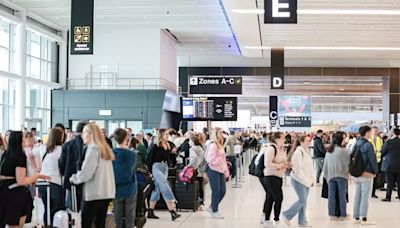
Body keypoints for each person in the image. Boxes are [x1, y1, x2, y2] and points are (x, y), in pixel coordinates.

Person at [69, 123, 116, 228]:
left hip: (94, 193)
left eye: (84, 133)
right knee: (100, 223)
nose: (81, 135)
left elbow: (86, 173)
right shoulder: (104, 148)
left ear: (90, 134)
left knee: (86, 223)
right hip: (106, 192)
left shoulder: (93, 149)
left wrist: (74, 178)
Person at [0, 131, 49, 228]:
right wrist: (37, 176)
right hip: (15, 194)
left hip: (4, 191)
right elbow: (21, 180)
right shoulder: (19, 156)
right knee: (16, 225)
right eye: (24, 138)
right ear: (20, 140)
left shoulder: (5, 154)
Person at [146, 128, 181, 221]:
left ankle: (150, 211)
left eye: (167, 134)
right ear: (161, 135)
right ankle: (172, 211)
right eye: (165, 134)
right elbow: (149, 158)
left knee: (157, 189)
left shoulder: (169, 144)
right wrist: (149, 172)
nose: (167, 135)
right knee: (165, 185)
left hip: (165, 168)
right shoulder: (156, 145)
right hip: (156, 167)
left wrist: (173, 153)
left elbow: (171, 158)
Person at [32, 128, 65, 225]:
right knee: (57, 207)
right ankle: (55, 225)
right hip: (54, 181)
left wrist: (36, 168)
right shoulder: (61, 149)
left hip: (42, 182)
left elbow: (29, 154)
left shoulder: (43, 147)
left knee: (47, 206)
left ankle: (47, 224)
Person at [281, 135, 313, 227]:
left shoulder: (306, 151)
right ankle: (287, 215)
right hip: (298, 180)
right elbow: (297, 170)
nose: (309, 142)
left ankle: (302, 221)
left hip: (306, 180)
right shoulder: (298, 153)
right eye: (307, 141)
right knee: (302, 200)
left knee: (304, 201)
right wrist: (306, 181)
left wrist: (310, 179)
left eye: (309, 141)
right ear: (301, 142)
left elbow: (309, 168)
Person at [262, 132, 290, 226]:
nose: (284, 140)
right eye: (282, 138)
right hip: (270, 176)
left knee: (271, 197)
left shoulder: (282, 149)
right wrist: (280, 165)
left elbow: (283, 161)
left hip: (278, 176)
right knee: (279, 197)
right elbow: (267, 164)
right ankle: (276, 219)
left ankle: (267, 220)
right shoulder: (271, 148)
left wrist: (287, 165)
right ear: (277, 139)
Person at [59, 121, 88, 211]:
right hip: (86, 182)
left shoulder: (67, 145)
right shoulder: (89, 145)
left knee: (73, 210)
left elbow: (61, 164)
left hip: (70, 181)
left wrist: (65, 174)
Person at [352, 126, 378, 225]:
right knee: (365, 197)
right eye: (370, 132)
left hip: (357, 173)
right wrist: (375, 172)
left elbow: (351, 156)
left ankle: (356, 217)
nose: (371, 133)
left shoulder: (357, 143)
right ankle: (364, 218)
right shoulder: (368, 145)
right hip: (366, 174)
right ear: (367, 133)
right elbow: (372, 160)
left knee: (357, 196)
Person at [112, 128, 137, 228]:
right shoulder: (132, 154)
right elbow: (132, 169)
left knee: (117, 219)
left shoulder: (110, 153)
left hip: (116, 188)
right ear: (126, 138)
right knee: (130, 219)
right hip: (130, 188)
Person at [322, 132, 350, 221]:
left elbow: (325, 165)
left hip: (330, 176)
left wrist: (326, 176)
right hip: (341, 176)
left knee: (331, 196)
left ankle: (332, 215)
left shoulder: (329, 151)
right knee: (342, 196)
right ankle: (343, 215)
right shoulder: (345, 151)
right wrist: (348, 175)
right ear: (341, 140)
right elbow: (347, 164)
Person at [205, 127, 230, 219]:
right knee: (216, 191)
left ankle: (212, 207)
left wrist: (226, 171)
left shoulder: (220, 145)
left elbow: (223, 160)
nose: (221, 134)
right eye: (220, 132)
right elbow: (209, 159)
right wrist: (219, 159)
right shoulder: (213, 145)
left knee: (222, 191)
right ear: (215, 134)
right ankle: (215, 210)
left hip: (220, 171)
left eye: (221, 132)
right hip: (213, 170)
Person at [381, 128, 400, 202]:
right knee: (399, 182)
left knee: (389, 182)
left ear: (393, 134)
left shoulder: (389, 142)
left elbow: (383, 152)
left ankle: (388, 197)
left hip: (390, 165)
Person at [188, 136, 205, 210]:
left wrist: (189, 165)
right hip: (201, 170)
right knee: (201, 188)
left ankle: (194, 203)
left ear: (192, 142)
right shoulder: (201, 149)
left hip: (194, 170)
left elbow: (194, 158)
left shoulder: (192, 149)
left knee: (193, 187)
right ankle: (201, 204)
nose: (189, 142)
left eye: (189, 141)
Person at [369, 126, 384, 198]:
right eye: (375, 131)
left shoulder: (379, 139)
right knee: (369, 177)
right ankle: (369, 192)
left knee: (375, 177)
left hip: (378, 161)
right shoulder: (368, 139)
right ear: (371, 131)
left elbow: (382, 148)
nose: (376, 132)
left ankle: (373, 193)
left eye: (377, 131)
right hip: (370, 161)